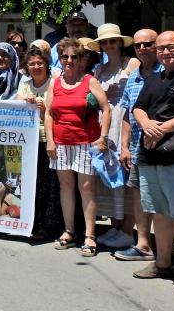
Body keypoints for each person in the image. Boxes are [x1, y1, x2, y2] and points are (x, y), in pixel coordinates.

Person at [131, 30, 174, 292]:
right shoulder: (154, 78)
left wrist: (162, 128)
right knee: (160, 211)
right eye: (161, 49)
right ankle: (163, 262)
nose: (165, 53)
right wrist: (146, 123)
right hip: (151, 156)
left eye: (171, 48)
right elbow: (138, 107)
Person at [45, 38, 111, 257]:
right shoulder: (55, 82)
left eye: (75, 56)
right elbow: (48, 113)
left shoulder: (89, 81)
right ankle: (69, 231)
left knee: (86, 187)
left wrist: (103, 136)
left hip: (85, 141)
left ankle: (90, 236)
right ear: (60, 58)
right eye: (65, 57)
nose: (69, 61)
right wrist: (51, 140)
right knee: (65, 186)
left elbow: (106, 108)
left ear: (82, 59)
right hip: (61, 142)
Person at [88, 24, 140, 250]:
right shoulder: (99, 69)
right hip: (106, 123)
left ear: (120, 42)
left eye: (112, 40)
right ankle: (116, 226)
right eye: (105, 42)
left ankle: (128, 230)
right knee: (109, 175)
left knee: (127, 174)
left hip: (127, 119)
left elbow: (138, 91)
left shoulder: (132, 64)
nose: (109, 45)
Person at [114, 29, 161, 262]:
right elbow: (125, 114)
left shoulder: (170, 73)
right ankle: (144, 245)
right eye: (138, 45)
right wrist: (124, 147)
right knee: (139, 196)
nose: (142, 48)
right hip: (136, 148)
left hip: (164, 147)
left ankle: (166, 251)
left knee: (162, 198)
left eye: (148, 44)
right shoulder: (133, 76)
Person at [16, 46, 61, 239]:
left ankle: (49, 225)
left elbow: (57, 114)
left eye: (39, 63)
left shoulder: (55, 83)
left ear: (47, 64)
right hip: (28, 142)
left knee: (50, 184)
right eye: (32, 63)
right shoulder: (24, 85)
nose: (36, 67)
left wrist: (43, 110)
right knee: (31, 183)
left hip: (49, 140)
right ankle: (32, 221)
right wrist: (24, 102)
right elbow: (16, 108)